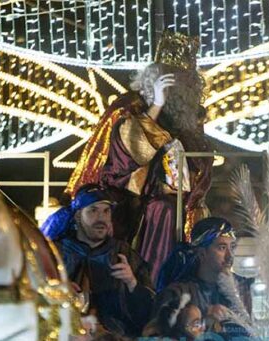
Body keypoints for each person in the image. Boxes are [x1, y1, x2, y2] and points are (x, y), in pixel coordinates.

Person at [64, 31, 214, 282]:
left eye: (185, 83)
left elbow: (199, 164)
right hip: (128, 200)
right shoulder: (130, 107)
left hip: (182, 203)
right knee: (162, 210)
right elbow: (124, 157)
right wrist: (156, 105)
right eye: (172, 81)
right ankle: (152, 285)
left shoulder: (188, 119)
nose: (179, 90)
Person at [41, 184, 154, 339]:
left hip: (116, 340)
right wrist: (58, 289)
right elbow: (35, 299)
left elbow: (149, 312)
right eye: (93, 210)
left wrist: (132, 283)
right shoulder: (57, 253)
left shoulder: (123, 253)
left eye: (106, 211)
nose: (101, 218)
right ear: (78, 216)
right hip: (68, 339)